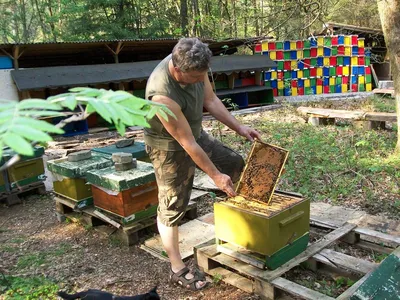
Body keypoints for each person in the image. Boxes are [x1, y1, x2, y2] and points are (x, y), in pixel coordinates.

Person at [144, 37, 261, 291]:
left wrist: (240, 127)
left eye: (202, 75)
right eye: (196, 78)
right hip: (169, 147)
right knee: (173, 204)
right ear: (178, 69)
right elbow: (187, 145)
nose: (200, 81)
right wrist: (216, 177)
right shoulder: (162, 96)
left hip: (193, 134)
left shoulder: (196, 63)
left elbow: (211, 101)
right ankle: (177, 267)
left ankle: (241, 228)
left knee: (234, 162)